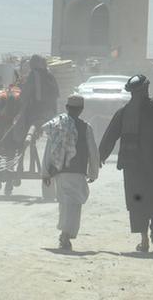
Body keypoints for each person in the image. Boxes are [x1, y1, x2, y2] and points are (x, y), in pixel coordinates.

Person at [99, 75, 153, 253]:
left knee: (138, 202)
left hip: (134, 168)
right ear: (146, 88)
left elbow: (109, 137)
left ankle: (144, 239)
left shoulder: (124, 112)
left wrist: (99, 157)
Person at [42, 95, 99, 251]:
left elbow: (49, 150)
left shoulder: (57, 125)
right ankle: (66, 235)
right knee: (74, 205)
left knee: (65, 204)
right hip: (78, 172)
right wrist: (93, 172)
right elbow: (93, 153)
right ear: (81, 110)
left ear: (67, 108)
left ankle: (64, 234)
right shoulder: (86, 128)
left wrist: (46, 172)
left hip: (60, 172)